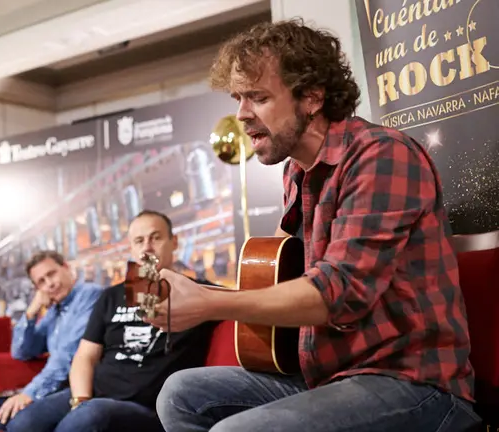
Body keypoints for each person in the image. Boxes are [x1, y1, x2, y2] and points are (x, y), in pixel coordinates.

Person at [152, 19, 481, 432]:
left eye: (258, 97)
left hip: (413, 383)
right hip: (327, 377)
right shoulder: (297, 171)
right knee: (180, 394)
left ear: (311, 96)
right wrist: (197, 293)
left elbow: (340, 293)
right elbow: (289, 273)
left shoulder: (382, 155)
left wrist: (209, 304)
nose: (240, 114)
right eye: (238, 97)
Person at [6, 210, 218, 432]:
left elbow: (240, 303)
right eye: (139, 241)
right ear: (132, 249)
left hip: (145, 406)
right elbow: (84, 356)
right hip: (94, 394)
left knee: (90, 417)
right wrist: (80, 400)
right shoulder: (111, 296)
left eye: (155, 238)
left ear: (173, 242)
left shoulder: (200, 292)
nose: (147, 247)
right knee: (23, 424)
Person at [0, 250, 102, 432]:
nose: (50, 284)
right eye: (41, 282)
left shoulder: (89, 295)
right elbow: (21, 351)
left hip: (81, 384)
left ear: (66, 267)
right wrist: (32, 311)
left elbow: (68, 354)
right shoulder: (55, 310)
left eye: (51, 274)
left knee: (17, 422)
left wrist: (30, 393)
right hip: (55, 386)